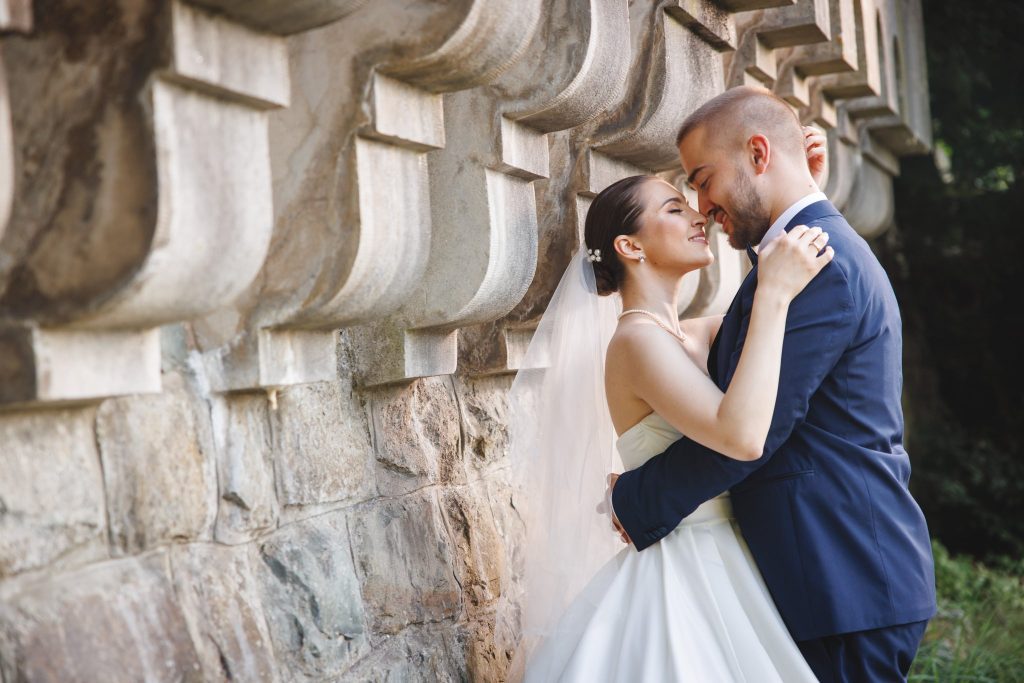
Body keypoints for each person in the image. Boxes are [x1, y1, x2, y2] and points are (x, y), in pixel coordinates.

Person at [608, 86, 937, 682]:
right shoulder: (800, 256)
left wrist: (634, 499)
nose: (702, 205)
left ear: (759, 154)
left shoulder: (822, 265)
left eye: (703, 180)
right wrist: (806, 195)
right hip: (829, 576)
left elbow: (763, 425)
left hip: (844, 577)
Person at [503, 123, 834, 680]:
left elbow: (797, 299)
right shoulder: (635, 341)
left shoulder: (689, 335)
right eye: (675, 210)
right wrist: (773, 292)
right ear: (630, 246)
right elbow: (740, 435)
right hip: (684, 568)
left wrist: (802, 191)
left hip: (731, 557)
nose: (699, 216)